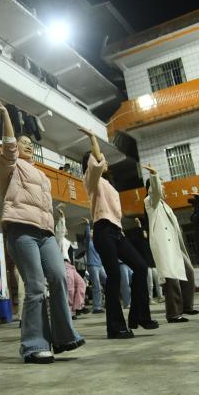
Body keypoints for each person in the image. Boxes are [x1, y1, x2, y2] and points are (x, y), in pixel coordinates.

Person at [0, 101, 84, 363]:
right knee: (36, 286)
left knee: (59, 278)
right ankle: (34, 345)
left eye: (31, 143)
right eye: (24, 142)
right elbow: (8, 146)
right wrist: (6, 116)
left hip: (45, 233)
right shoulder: (9, 166)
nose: (28, 145)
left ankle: (64, 337)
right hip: (21, 231)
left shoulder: (42, 175)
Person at [80, 129, 157, 338]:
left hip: (117, 231)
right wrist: (93, 138)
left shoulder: (108, 184)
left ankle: (139, 316)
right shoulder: (91, 180)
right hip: (103, 230)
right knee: (114, 276)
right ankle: (115, 327)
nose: (103, 160)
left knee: (140, 267)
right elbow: (97, 162)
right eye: (98, 158)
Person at [142, 166, 197, 323]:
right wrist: (154, 175)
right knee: (171, 279)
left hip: (175, 245)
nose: (164, 186)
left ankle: (186, 306)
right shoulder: (150, 201)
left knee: (189, 271)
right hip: (164, 246)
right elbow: (155, 192)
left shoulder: (164, 204)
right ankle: (173, 314)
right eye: (161, 184)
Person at [55, 206, 86, 318]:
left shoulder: (68, 242)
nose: (66, 229)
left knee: (81, 284)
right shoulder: (59, 240)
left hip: (71, 266)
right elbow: (60, 231)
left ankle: (76, 308)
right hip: (64, 264)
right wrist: (62, 217)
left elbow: (78, 250)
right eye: (64, 228)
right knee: (70, 288)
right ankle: (69, 312)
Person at [126, 217, 163, 304]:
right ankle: (150, 299)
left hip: (153, 264)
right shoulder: (141, 241)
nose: (145, 233)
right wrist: (139, 223)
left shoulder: (149, 242)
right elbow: (140, 230)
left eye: (146, 232)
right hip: (147, 264)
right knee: (150, 283)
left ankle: (160, 296)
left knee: (159, 281)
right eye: (144, 232)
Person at [83, 219, 107, 314]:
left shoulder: (97, 243)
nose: (93, 233)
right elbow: (88, 235)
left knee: (108, 282)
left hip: (100, 266)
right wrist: (88, 225)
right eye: (91, 232)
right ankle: (97, 307)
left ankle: (107, 302)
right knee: (96, 285)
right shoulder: (88, 243)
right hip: (92, 266)